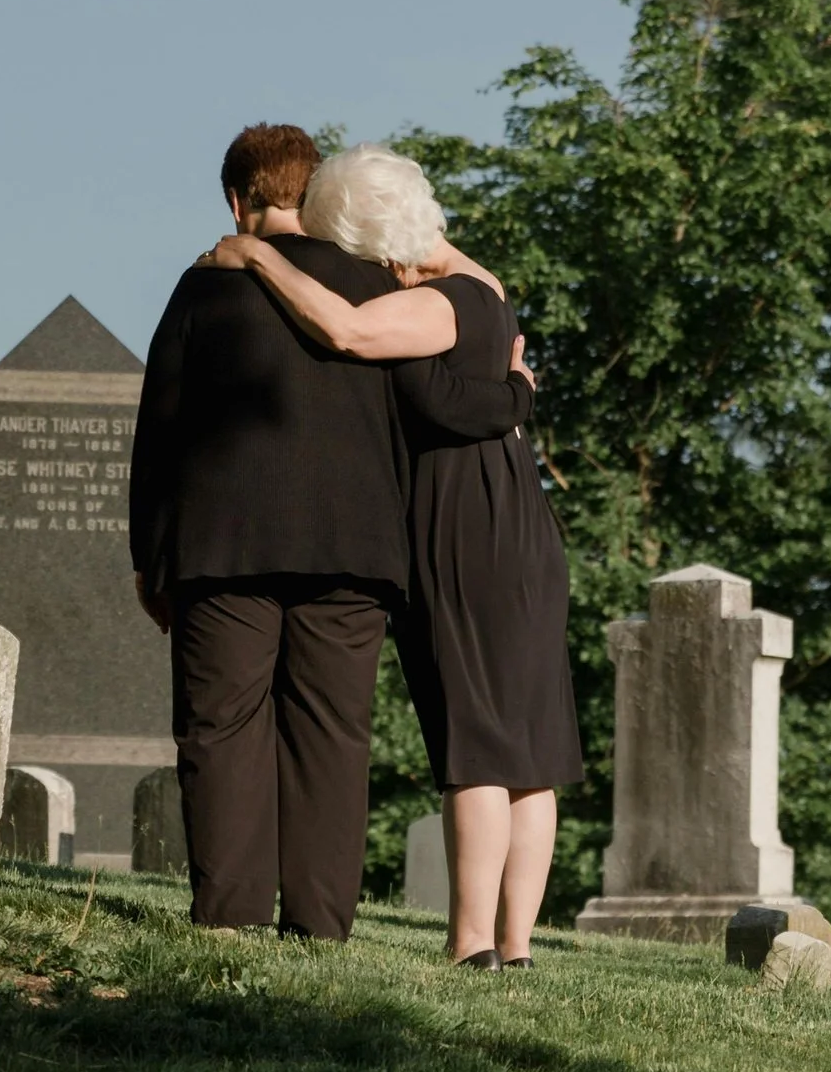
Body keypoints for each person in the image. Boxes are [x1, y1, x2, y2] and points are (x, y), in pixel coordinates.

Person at [129, 124, 530, 939]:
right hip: (356, 548)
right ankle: (319, 927)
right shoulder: (378, 288)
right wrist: (517, 393)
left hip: (222, 544)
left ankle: (229, 917)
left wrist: (150, 558)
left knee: (223, 727)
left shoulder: (206, 285)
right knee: (332, 734)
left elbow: (160, 427)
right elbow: (433, 402)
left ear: (236, 200)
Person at [202, 145, 581, 967]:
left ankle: (471, 942)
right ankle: (515, 946)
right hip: (515, 518)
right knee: (530, 749)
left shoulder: (437, 307)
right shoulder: (484, 291)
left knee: (478, 739)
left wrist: (260, 253)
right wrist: (515, 393)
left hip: (462, 523)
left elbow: (342, 329)